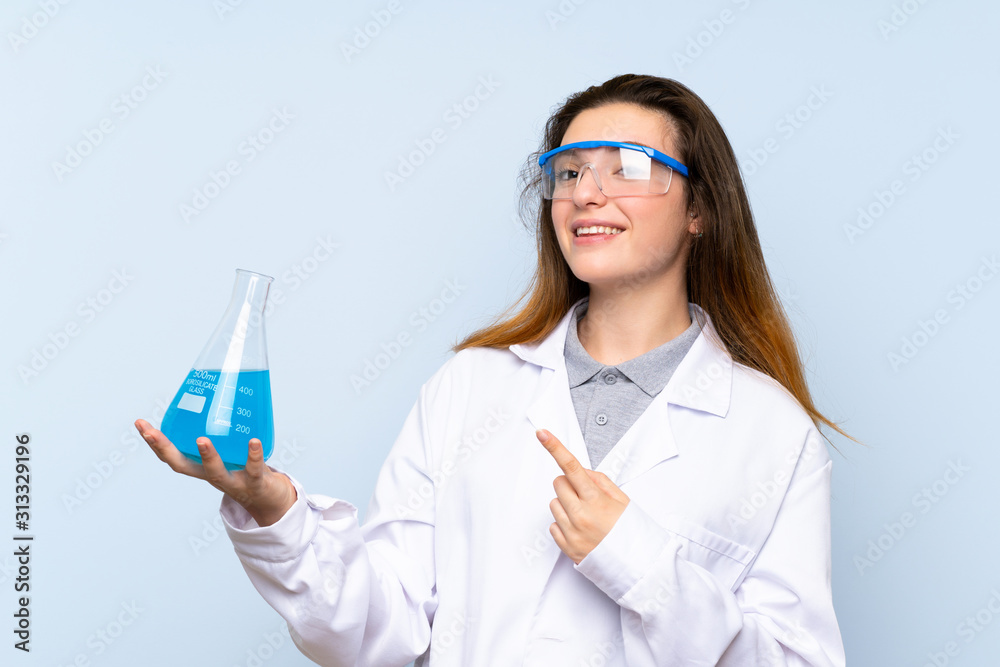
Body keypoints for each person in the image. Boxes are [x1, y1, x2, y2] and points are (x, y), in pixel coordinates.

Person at [135, 73, 853, 666]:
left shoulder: (772, 433)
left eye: (628, 168)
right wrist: (275, 512)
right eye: (569, 171)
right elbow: (378, 633)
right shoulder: (469, 387)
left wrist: (640, 564)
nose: (587, 193)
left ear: (700, 208)